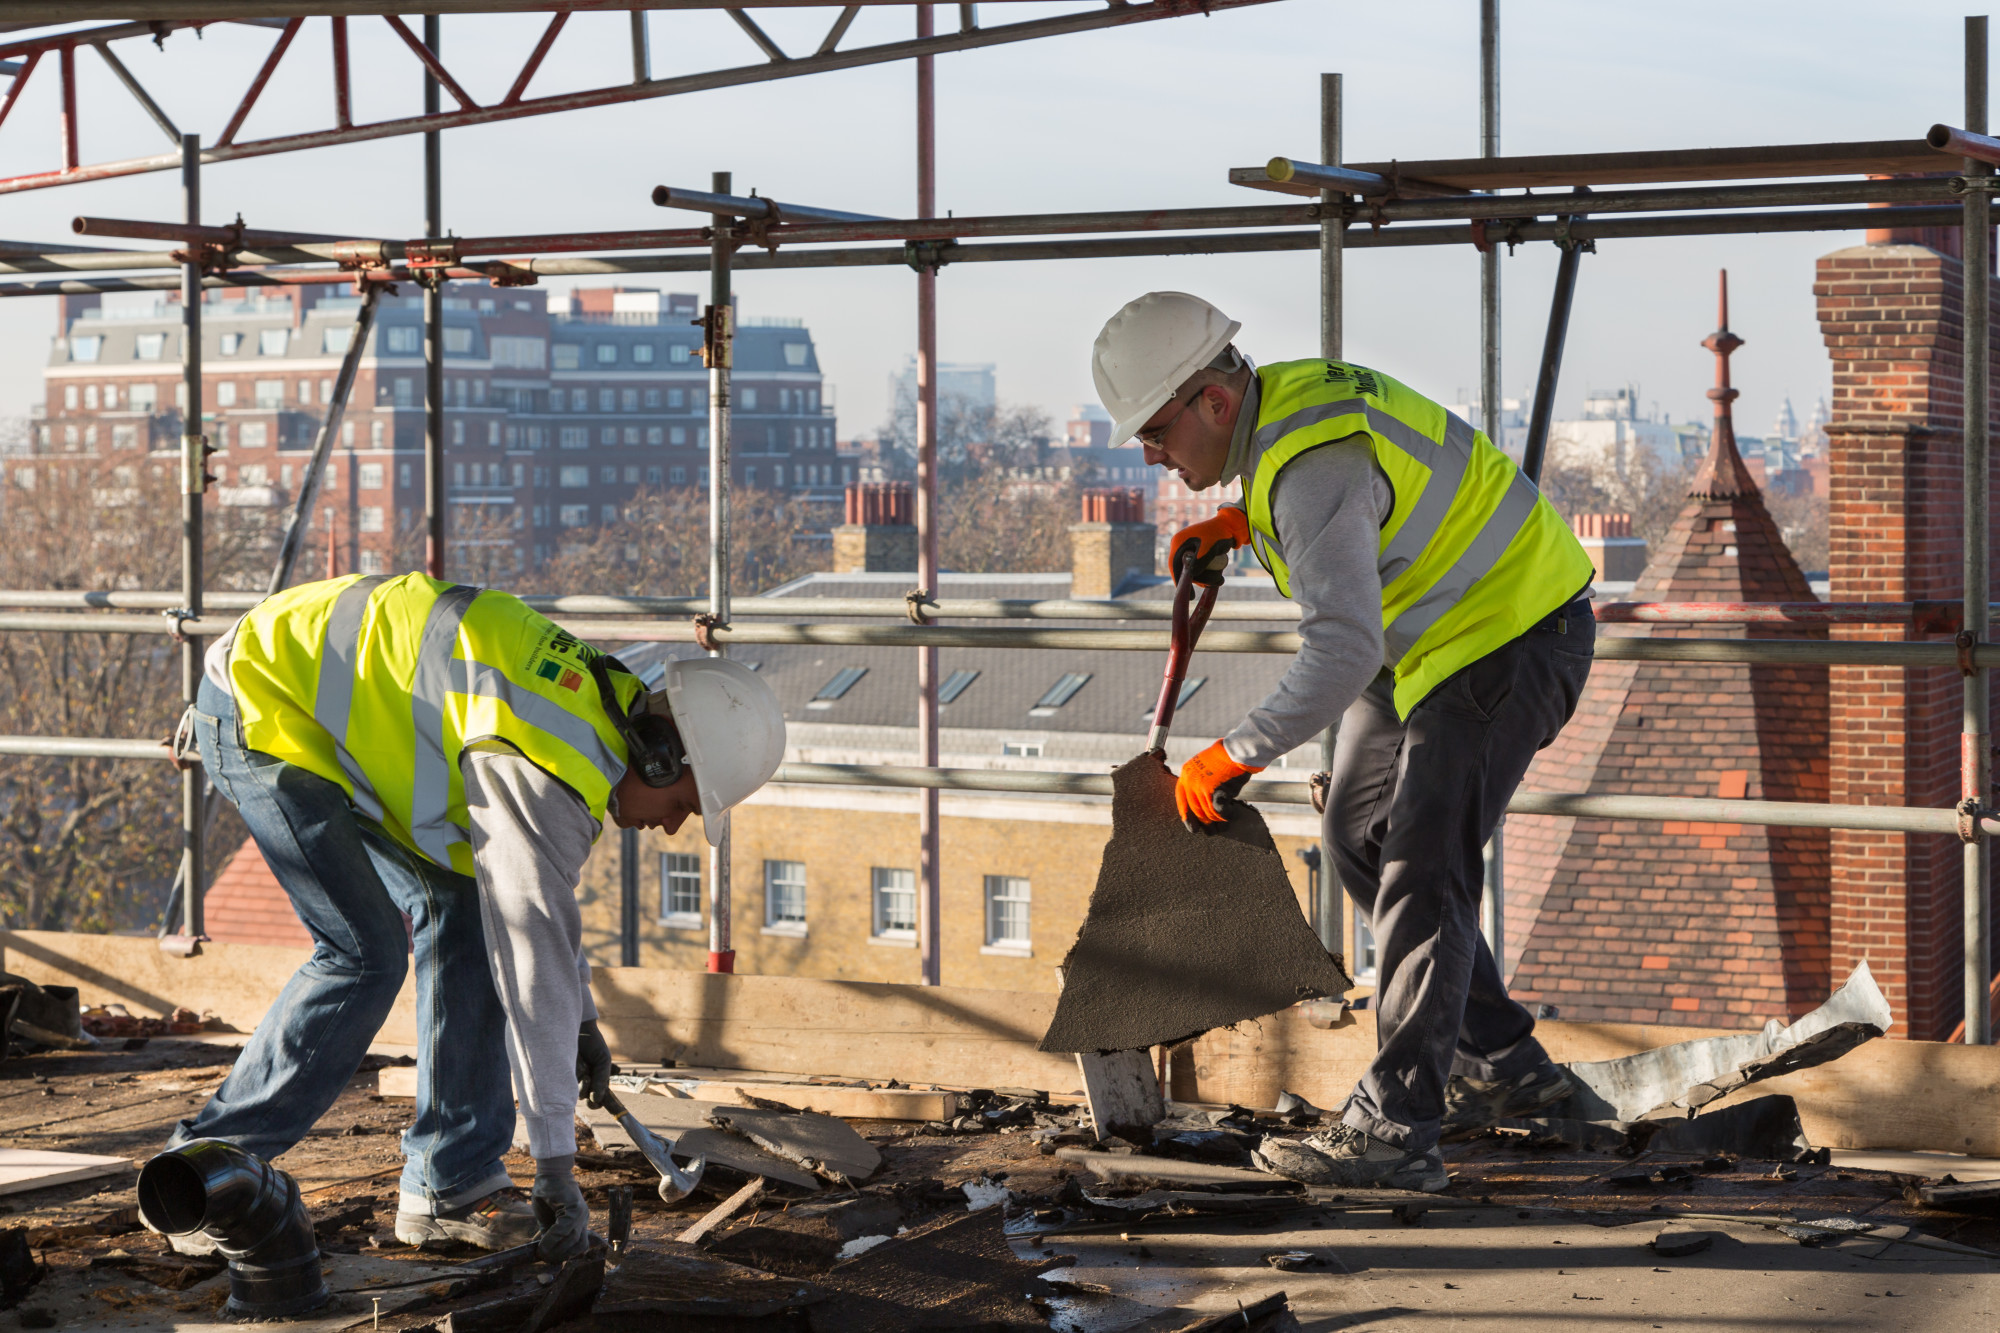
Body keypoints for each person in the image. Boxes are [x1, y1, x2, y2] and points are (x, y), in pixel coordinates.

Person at [1092, 292, 1597, 1192]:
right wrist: (1245, 523)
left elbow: (1341, 645)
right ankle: (1498, 1062)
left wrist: (1235, 751)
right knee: (1358, 834)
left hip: (1507, 630)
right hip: (1429, 634)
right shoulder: (1278, 416)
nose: (1150, 453)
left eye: (1157, 431)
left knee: (1424, 864)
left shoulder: (1305, 466)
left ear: (1212, 401)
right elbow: (1357, 505)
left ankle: (1397, 1126)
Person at [166, 572, 784, 1257]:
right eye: (686, 806)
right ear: (663, 758)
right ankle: (200, 1176)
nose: (672, 827)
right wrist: (553, 1166)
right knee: (364, 953)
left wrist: (580, 1019)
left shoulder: (592, 720)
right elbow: (530, 953)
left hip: (328, 712)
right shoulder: (543, 765)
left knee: (463, 907)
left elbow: (532, 912)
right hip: (264, 703)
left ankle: (449, 1181)